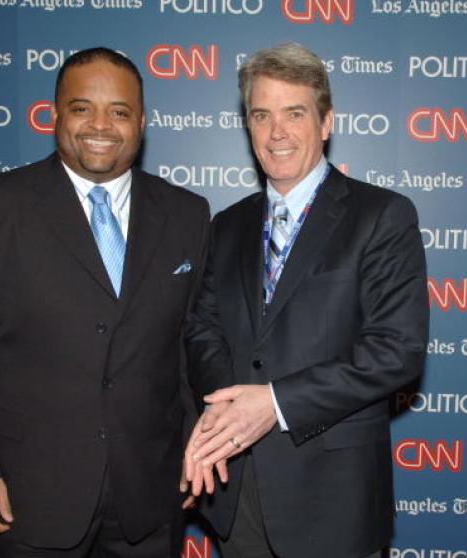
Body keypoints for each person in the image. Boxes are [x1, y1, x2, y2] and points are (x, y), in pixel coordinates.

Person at [0, 47, 209, 558]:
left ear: (142, 122)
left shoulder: (187, 214)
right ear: (55, 114)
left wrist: (195, 450)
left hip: (149, 499)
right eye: (82, 108)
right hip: (25, 499)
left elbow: (188, 351)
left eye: (119, 112)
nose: (100, 125)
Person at [183, 42, 429, 558]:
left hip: (333, 499)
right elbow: (202, 328)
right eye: (261, 115)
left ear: (325, 122)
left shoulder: (381, 216)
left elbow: (396, 350)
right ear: (247, 125)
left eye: (294, 113)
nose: (277, 133)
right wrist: (225, 409)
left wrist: (273, 403)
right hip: (238, 491)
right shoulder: (226, 226)